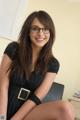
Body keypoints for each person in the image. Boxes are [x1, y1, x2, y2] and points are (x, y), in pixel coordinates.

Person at [0, 10, 75, 120]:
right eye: (35, 28)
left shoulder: (53, 64)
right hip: (3, 103)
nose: (40, 33)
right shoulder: (13, 48)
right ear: (28, 31)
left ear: (50, 33)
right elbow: (3, 85)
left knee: (66, 108)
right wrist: (2, 117)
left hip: (28, 111)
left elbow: (37, 96)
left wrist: (15, 119)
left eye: (45, 29)